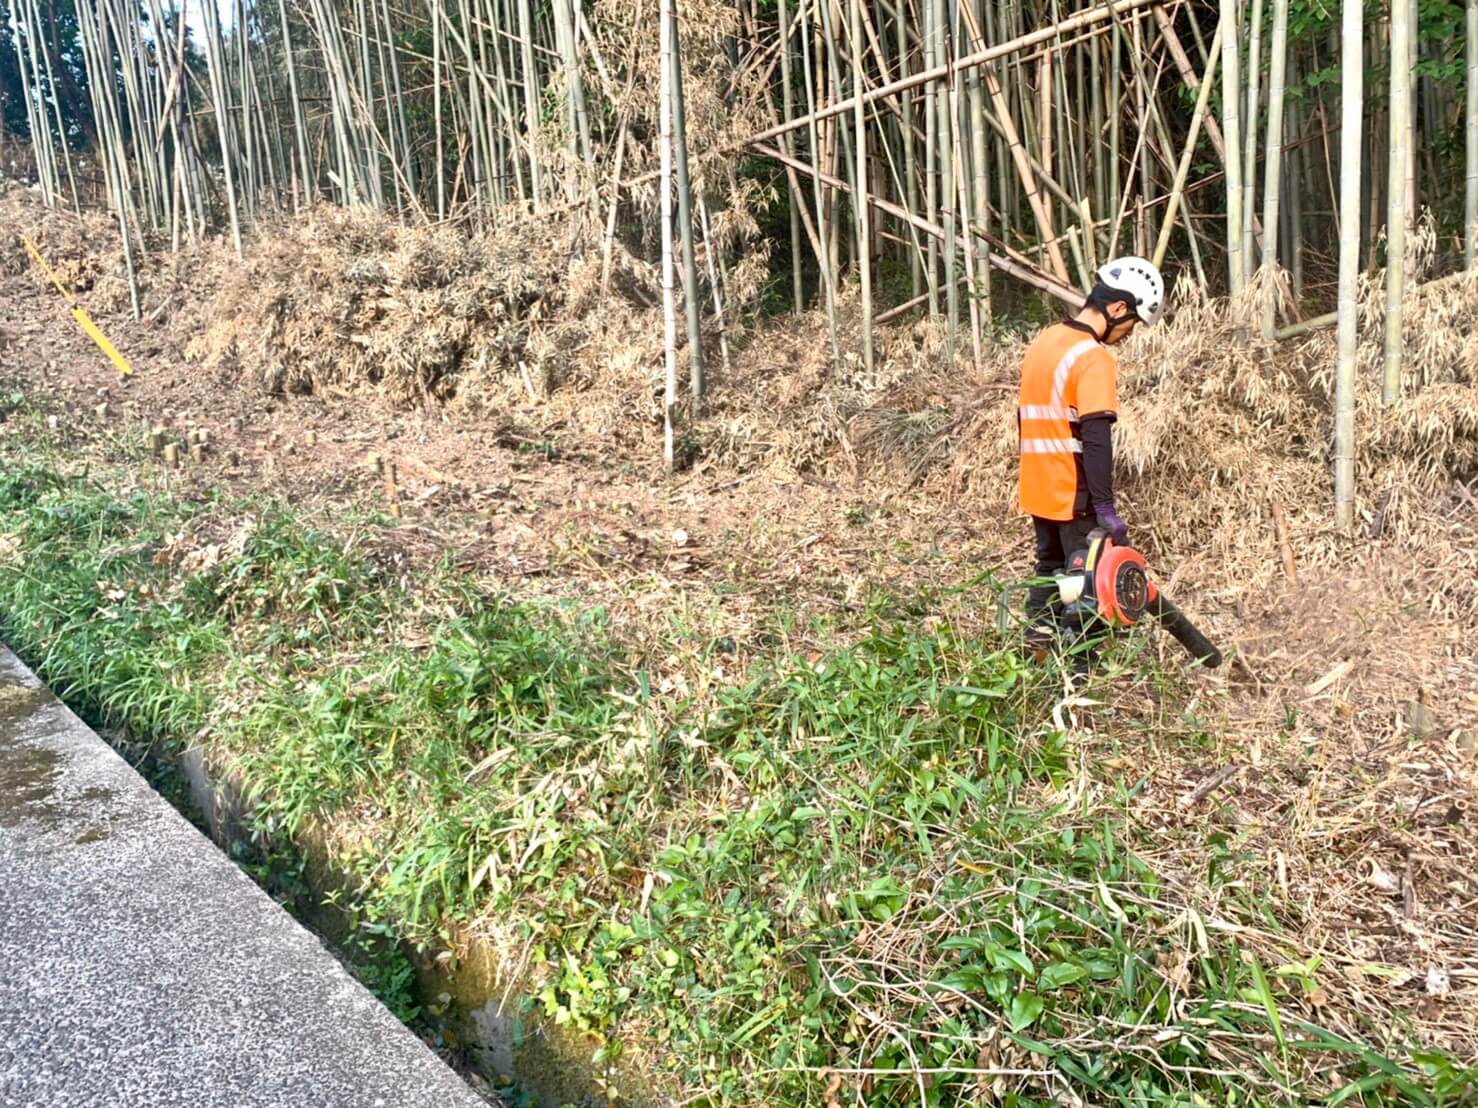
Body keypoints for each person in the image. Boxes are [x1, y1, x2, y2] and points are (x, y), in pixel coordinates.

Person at [1016, 256, 1165, 654]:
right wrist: (1105, 507)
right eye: (1132, 323)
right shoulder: (1093, 356)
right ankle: (1077, 682)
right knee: (1088, 591)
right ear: (1117, 308)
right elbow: (1096, 437)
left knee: (1050, 572)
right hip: (1073, 491)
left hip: (1037, 486)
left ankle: (1036, 656)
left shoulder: (1045, 341)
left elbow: (1024, 419)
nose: (1129, 333)